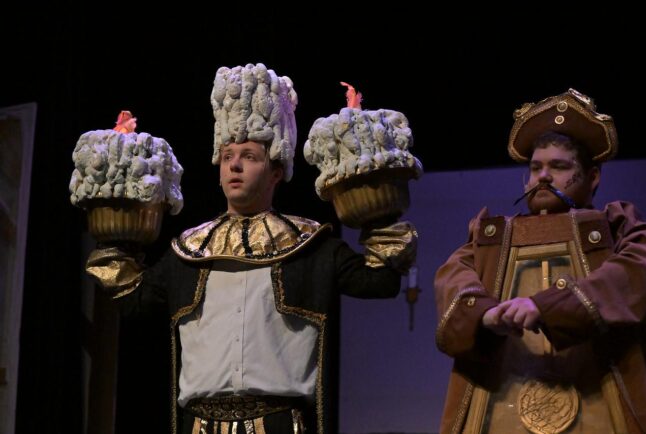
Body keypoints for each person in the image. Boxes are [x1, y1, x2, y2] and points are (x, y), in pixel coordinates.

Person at [85, 63, 417, 434]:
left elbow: (380, 281)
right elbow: (132, 299)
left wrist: (377, 204)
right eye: (227, 157)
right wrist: (114, 231)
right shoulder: (189, 252)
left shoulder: (309, 246)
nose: (235, 166)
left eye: (250, 156)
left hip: (278, 423)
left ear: (275, 171)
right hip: (199, 425)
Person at [435, 89, 646, 434]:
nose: (543, 177)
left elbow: (637, 271)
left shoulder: (617, 226)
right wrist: (486, 313)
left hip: (600, 405)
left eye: (559, 166)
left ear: (593, 177)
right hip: (499, 407)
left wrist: (548, 306)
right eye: (536, 168)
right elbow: (453, 276)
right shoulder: (491, 236)